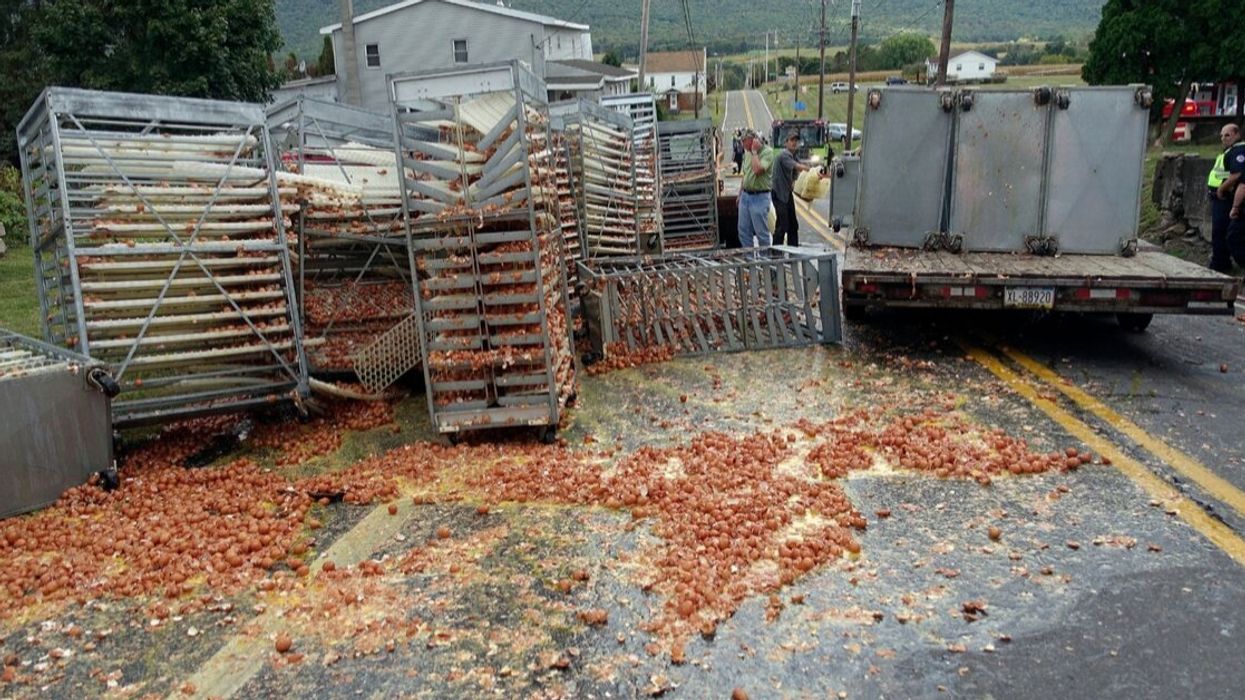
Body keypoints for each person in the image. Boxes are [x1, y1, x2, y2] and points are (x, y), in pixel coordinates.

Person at [771, 129, 829, 247]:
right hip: (779, 194)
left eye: (796, 141)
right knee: (782, 225)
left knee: (793, 224)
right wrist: (813, 171)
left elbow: (803, 168)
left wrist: (819, 172)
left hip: (786, 195)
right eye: (792, 140)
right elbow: (798, 167)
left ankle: (793, 250)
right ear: (786, 142)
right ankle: (776, 253)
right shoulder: (784, 155)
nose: (794, 143)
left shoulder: (793, 156)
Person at [1207, 123, 1245, 273]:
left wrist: (1221, 190)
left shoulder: (1239, 150)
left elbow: (1237, 175)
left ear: (1237, 134)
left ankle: (1220, 265)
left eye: (1227, 135)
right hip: (1221, 197)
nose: (1223, 138)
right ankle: (1221, 263)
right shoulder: (1231, 150)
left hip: (1225, 197)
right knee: (1221, 232)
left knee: (1222, 233)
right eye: (1222, 136)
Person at [737, 128, 776, 249]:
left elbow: (757, 170)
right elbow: (746, 174)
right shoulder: (747, 153)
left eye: (744, 141)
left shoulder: (767, 152)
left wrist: (754, 152)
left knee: (761, 232)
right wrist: (740, 194)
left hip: (759, 196)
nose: (742, 144)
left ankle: (765, 261)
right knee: (743, 231)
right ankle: (749, 260)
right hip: (746, 196)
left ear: (752, 140)